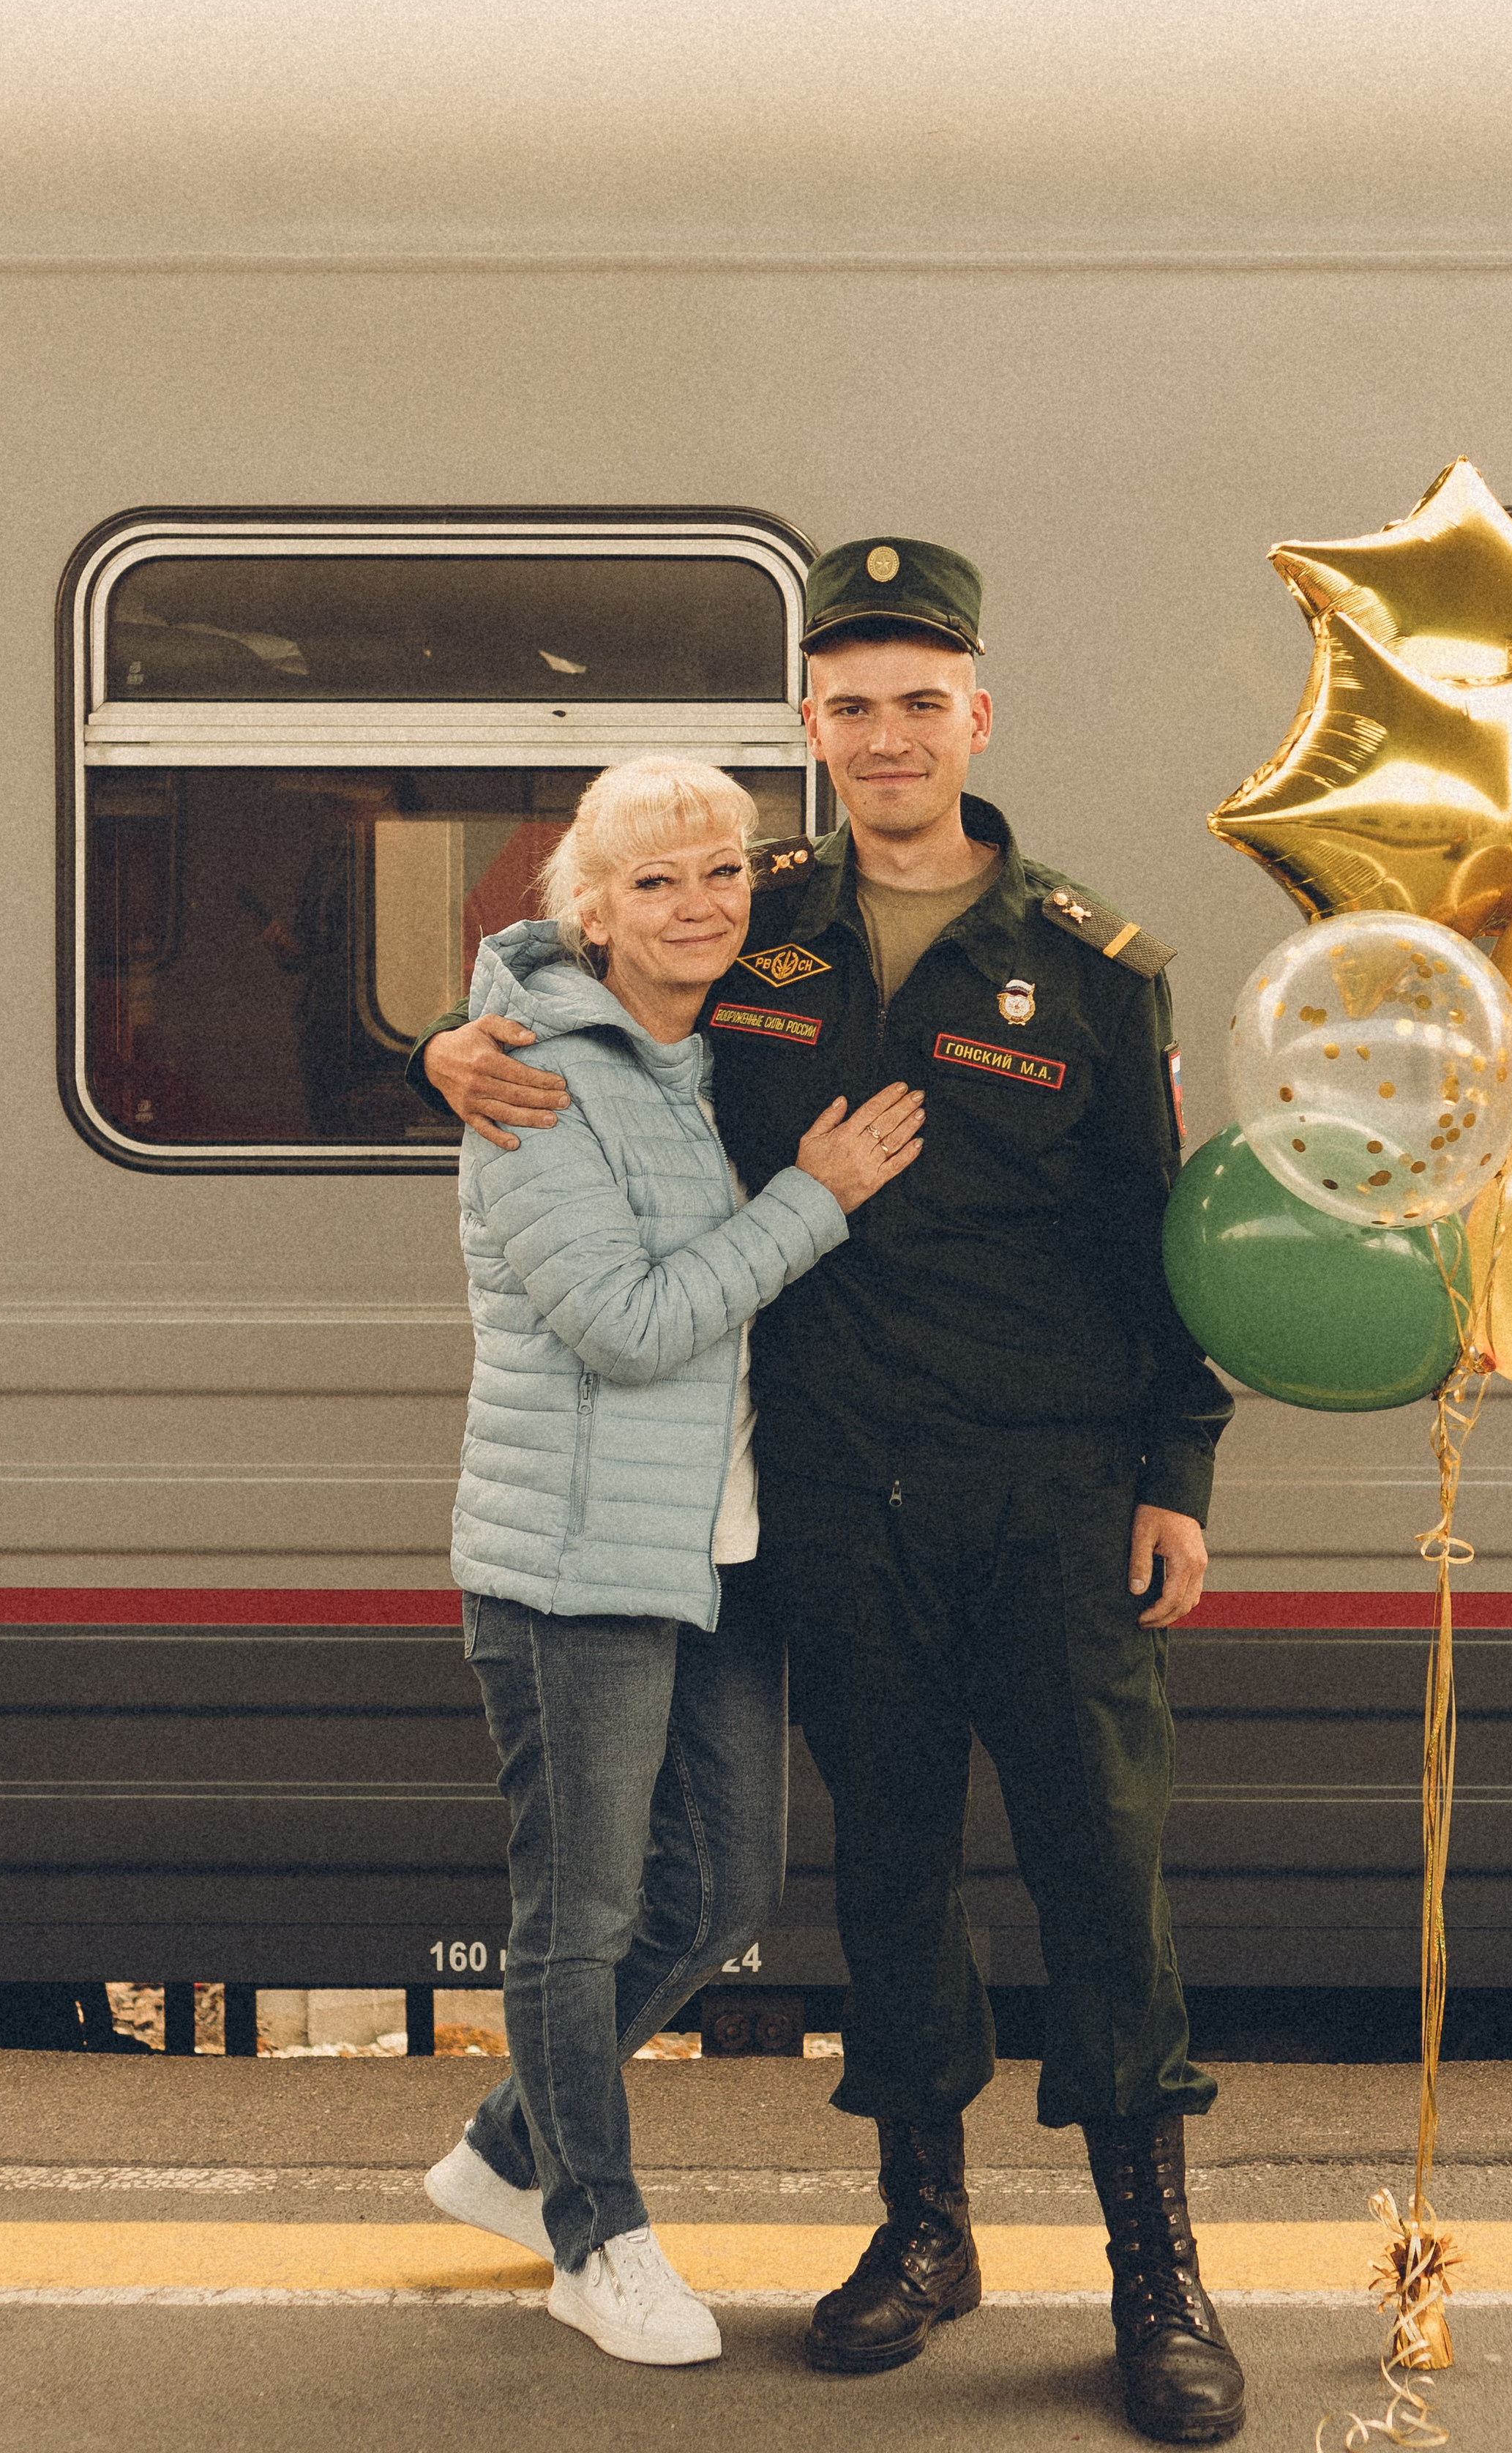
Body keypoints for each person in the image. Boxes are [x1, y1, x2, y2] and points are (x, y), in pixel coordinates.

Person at [411, 545, 1246, 2444]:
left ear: (976, 714)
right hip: (832, 1505)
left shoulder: (1095, 966)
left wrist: (1176, 1471)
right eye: (851, 702)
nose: (886, 734)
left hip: (1047, 1496)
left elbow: (1156, 1241)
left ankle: (1154, 2275)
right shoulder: (753, 923)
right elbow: (569, 972)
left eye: (918, 697)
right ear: (815, 729)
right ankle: (924, 2233)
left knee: (1101, 1878)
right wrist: (439, 1047)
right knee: (887, 1881)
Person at [421, 755, 922, 2370]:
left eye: (721, 873)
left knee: (725, 1890)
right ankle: (594, 2236)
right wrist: (814, 1201)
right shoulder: (531, 1083)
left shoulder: (719, 1053)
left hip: (715, 1549)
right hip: (575, 1561)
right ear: (588, 910)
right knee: (578, 1913)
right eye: (654, 882)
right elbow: (627, 1326)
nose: (697, 904)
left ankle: (507, 2150)